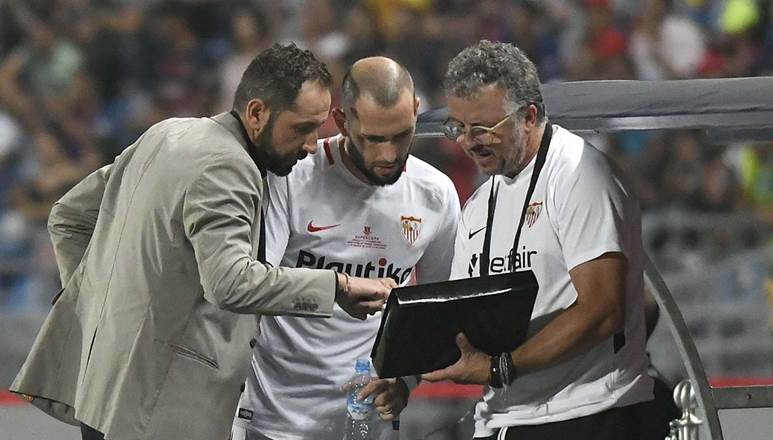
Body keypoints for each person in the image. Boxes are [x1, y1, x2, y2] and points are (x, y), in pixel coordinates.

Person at [10, 43, 394, 440]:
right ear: (257, 113)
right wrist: (338, 286)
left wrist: (96, 313)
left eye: (317, 128)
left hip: (103, 399)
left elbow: (69, 216)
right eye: (301, 128)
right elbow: (230, 282)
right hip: (158, 413)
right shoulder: (229, 166)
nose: (312, 144)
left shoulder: (166, 133)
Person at [422, 40, 659, 439]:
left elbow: (603, 310)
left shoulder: (580, 176)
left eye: (481, 128)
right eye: (457, 127)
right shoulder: (479, 203)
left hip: (589, 413)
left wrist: (502, 367)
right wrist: (404, 370)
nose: (466, 141)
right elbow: (463, 318)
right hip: (505, 418)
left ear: (529, 116)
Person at [230, 57, 460, 440]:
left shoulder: (436, 195)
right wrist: (339, 287)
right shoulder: (291, 177)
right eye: (373, 138)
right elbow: (255, 286)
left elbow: (440, 310)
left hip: (364, 422)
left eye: (401, 135)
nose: (388, 154)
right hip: (272, 418)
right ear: (341, 121)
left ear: (416, 111)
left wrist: (406, 381)